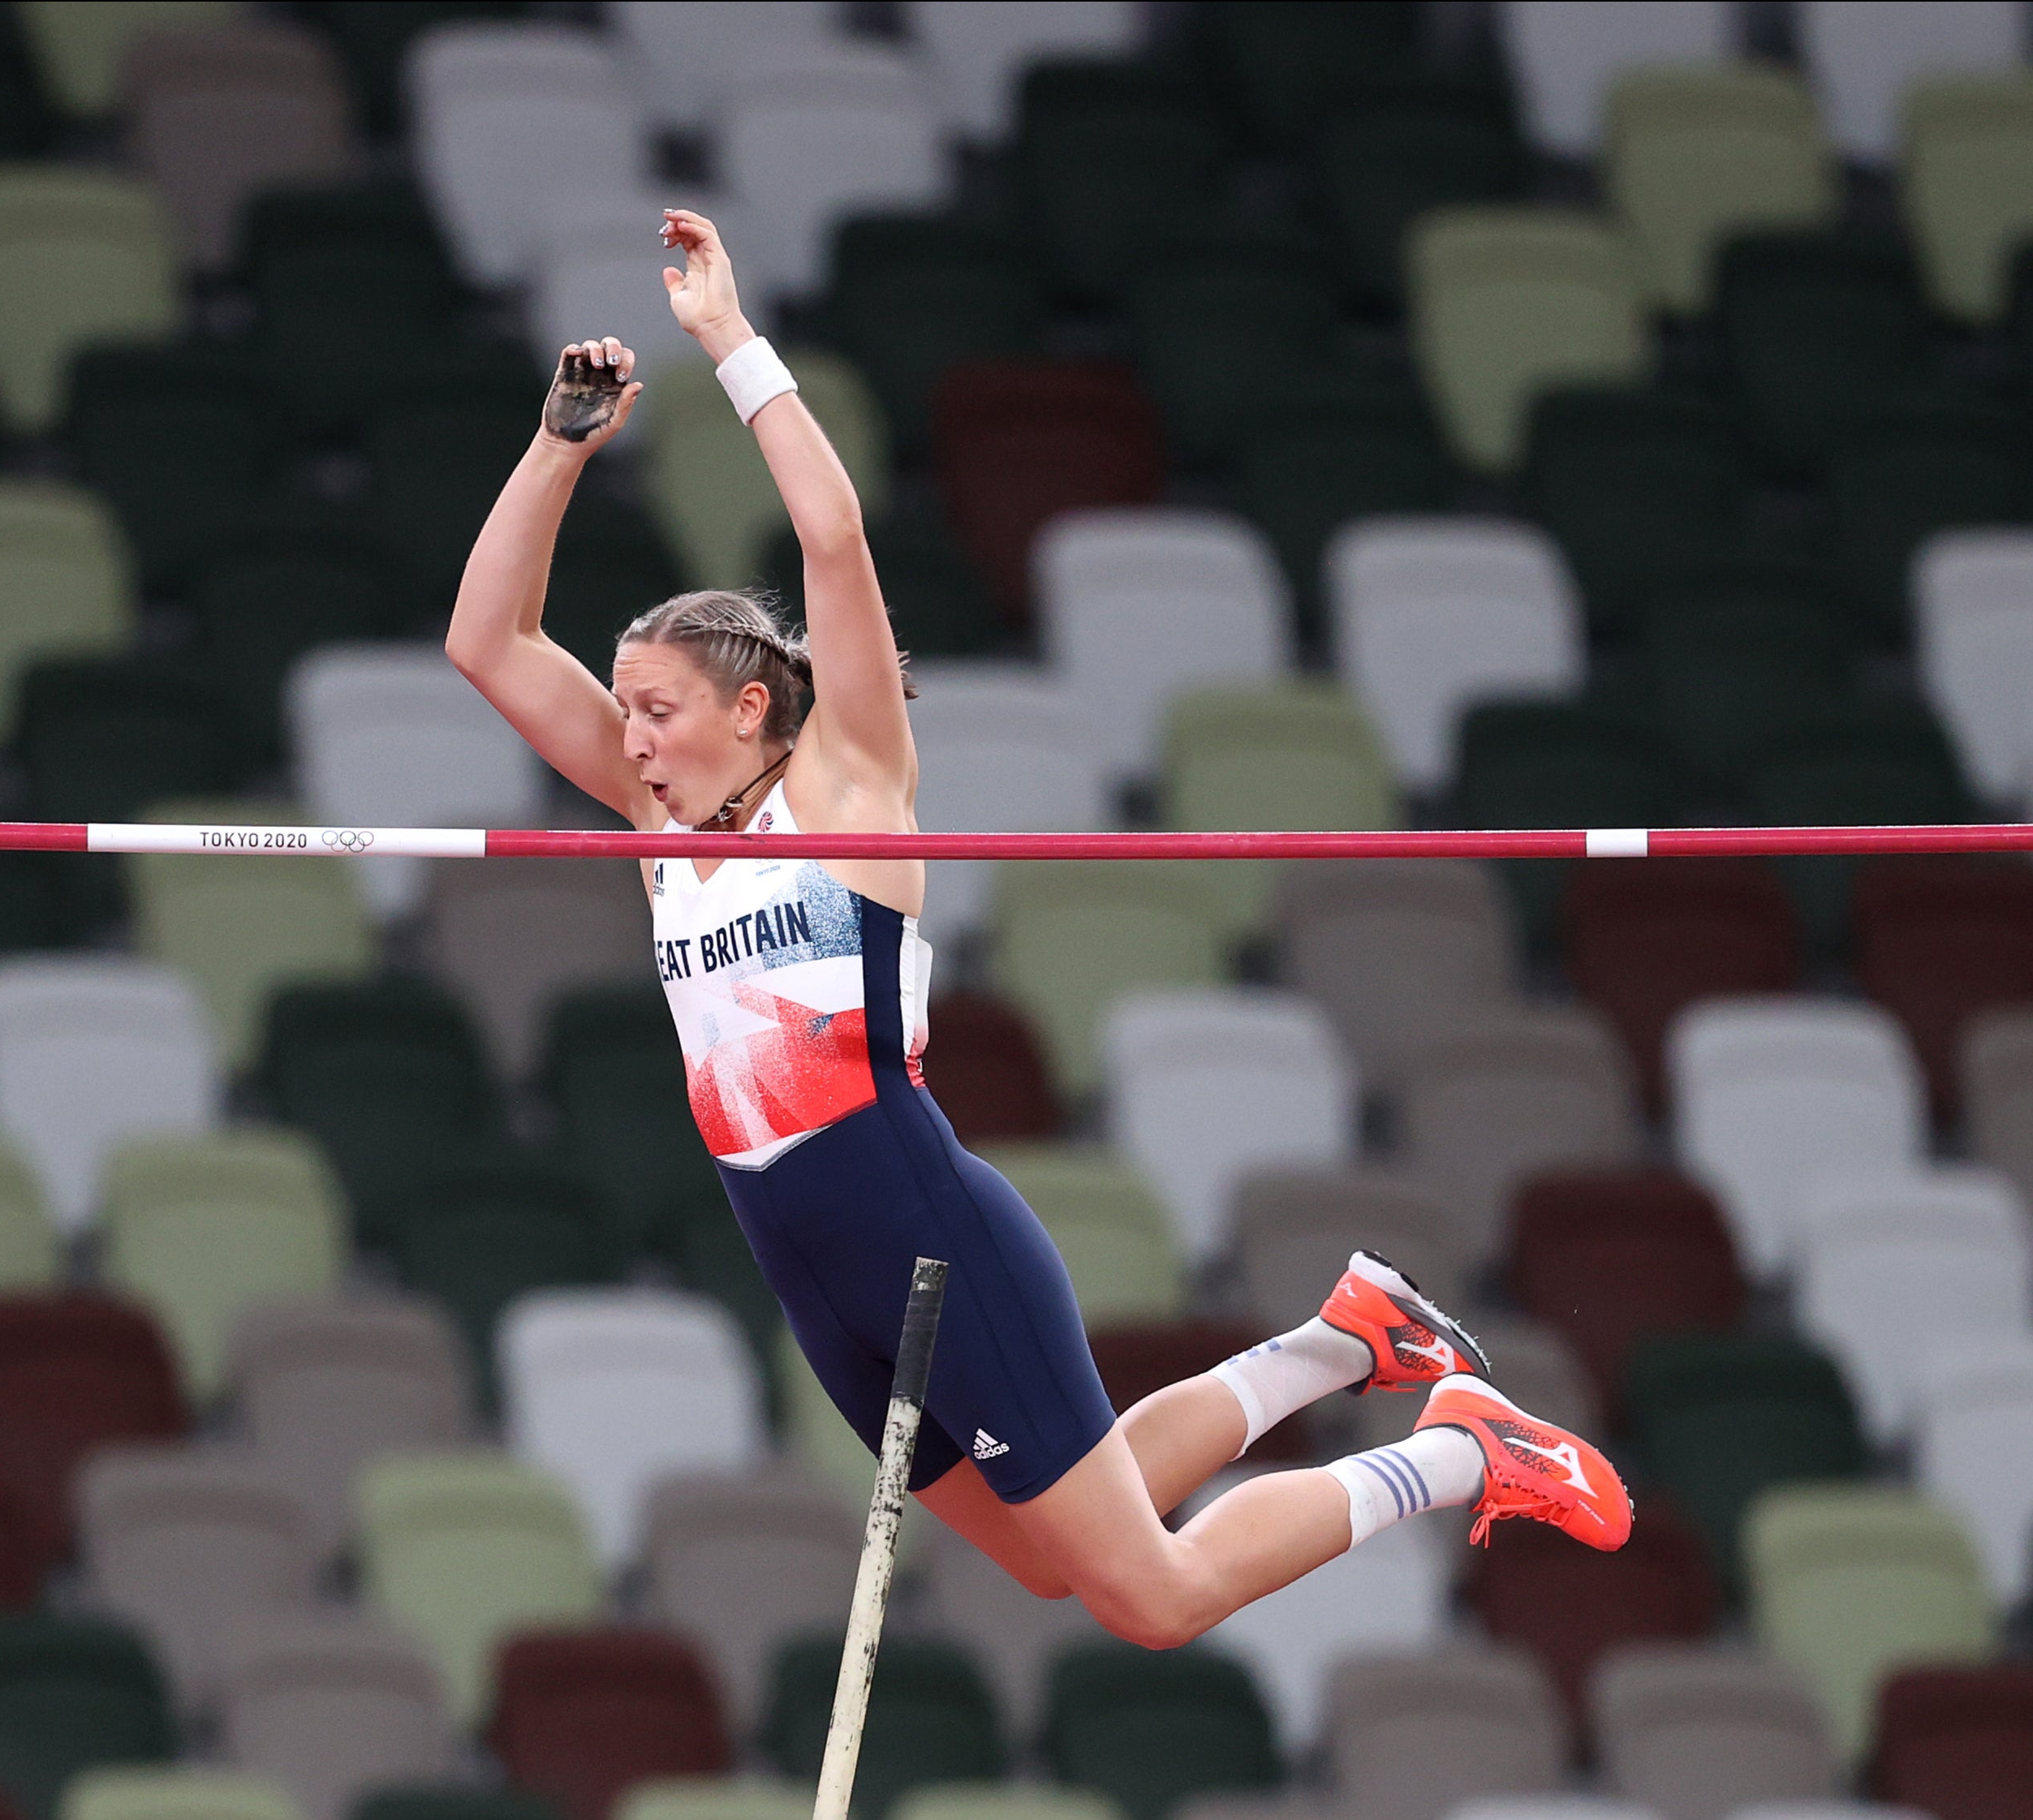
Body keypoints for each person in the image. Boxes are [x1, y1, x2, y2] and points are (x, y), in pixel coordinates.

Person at [443, 209, 1632, 1646]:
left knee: (1152, 1593)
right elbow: (487, 648)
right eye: (620, 712)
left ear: (750, 708)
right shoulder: (658, 833)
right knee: (1056, 1557)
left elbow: (827, 535)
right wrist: (562, 442)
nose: (626, 740)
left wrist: (730, 347)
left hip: (927, 1237)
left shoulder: (848, 790)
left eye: (655, 710)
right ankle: (1346, 1339)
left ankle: (1463, 1450)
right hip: (814, 1273)